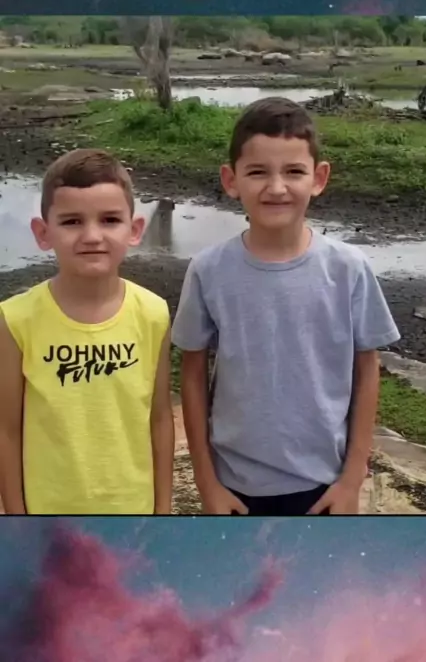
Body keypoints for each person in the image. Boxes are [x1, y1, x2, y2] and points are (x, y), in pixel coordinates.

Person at [172, 97, 400, 516]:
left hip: (323, 485)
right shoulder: (209, 270)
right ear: (231, 180)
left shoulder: (348, 268)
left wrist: (352, 479)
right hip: (233, 486)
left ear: (319, 178)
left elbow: (367, 370)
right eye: (258, 172)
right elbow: (192, 373)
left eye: (293, 172)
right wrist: (206, 483)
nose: (276, 188)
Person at [0, 149, 174, 515]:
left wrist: (162, 511)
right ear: (43, 233)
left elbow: (159, 419)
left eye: (109, 220)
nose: (92, 236)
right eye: (72, 221)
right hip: (47, 517)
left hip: (133, 511)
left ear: (134, 230)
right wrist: (16, 519)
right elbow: (7, 430)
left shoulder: (153, 313)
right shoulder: (15, 320)